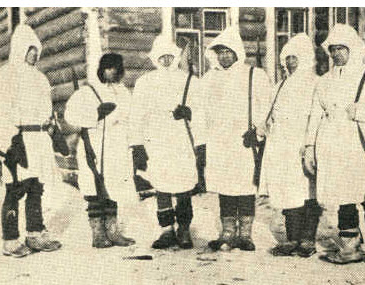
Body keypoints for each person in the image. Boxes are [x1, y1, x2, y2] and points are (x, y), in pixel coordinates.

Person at [305, 24, 365, 268]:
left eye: (341, 48)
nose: (337, 54)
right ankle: (349, 248)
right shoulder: (324, 81)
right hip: (333, 148)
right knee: (343, 197)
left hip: (363, 147)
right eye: (333, 49)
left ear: (354, 49)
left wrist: (361, 111)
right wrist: (309, 146)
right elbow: (315, 114)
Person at [0, 24, 62, 257]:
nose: (33, 54)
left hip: (39, 140)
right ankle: (11, 239)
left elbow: (46, 109)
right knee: (15, 189)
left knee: (36, 188)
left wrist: (51, 130)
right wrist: (6, 142)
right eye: (29, 49)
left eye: (36, 49)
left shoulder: (40, 79)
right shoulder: (7, 76)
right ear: (19, 49)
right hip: (18, 140)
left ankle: (35, 234)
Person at [191, 26, 273, 251]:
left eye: (228, 51)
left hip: (244, 141)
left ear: (237, 52)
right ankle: (227, 232)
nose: (225, 56)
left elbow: (264, 105)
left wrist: (257, 130)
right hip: (219, 141)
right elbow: (199, 111)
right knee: (225, 186)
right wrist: (202, 141)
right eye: (220, 52)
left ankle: (245, 234)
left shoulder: (254, 74)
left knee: (245, 186)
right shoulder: (209, 79)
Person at [131, 35, 199, 249]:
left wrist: (190, 113)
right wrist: (137, 144)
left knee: (183, 185)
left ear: (176, 57)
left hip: (181, 139)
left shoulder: (189, 81)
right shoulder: (145, 82)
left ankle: (184, 228)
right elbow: (136, 115)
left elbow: (201, 112)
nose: (166, 61)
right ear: (155, 59)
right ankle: (166, 230)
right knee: (162, 185)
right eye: (162, 57)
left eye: (170, 56)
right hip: (157, 139)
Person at [259, 34, 322, 257]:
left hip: (304, 144)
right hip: (281, 146)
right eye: (287, 58)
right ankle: (292, 238)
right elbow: (271, 113)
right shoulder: (280, 85)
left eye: (294, 58)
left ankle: (307, 239)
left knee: (308, 192)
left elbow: (317, 116)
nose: (290, 63)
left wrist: (310, 144)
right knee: (288, 191)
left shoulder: (316, 83)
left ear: (305, 58)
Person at [63, 53, 135, 248]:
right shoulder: (88, 92)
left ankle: (113, 231)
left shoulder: (124, 92)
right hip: (94, 144)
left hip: (116, 145)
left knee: (113, 186)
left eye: (115, 68)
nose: (111, 72)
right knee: (94, 187)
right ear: (101, 70)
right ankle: (98, 232)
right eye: (107, 68)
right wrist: (95, 114)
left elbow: (131, 118)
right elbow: (70, 116)